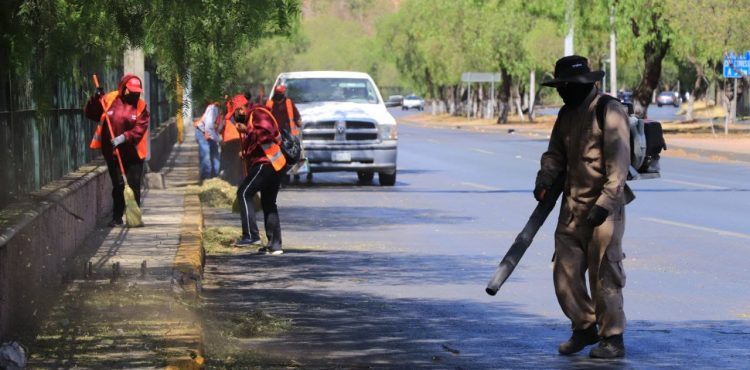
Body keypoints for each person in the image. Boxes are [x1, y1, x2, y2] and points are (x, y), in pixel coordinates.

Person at [535, 55, 634, 359]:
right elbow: (555, 154)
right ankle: (584, 327)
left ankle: (612, 337)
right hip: (572, 206)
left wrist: (604, 204)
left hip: (605, 208)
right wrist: (544, 178)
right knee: (564, 270)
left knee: (605, 273)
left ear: (584, 83)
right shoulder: (566, 114)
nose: (562, 92)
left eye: (566, 86)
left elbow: (618, 166)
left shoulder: (609, 111)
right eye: (560, 87)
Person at [84, 74, 150, 227]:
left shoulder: (141, 106)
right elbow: (91, 113)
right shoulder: (110, 99)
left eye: (137, 91)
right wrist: (96, 99)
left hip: (133, 153)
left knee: (133, 185)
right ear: (123, 88)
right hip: (113, 153)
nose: (134, 94)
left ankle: (134, 217)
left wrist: (124, 137)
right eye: (131, 90)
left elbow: (140, 128)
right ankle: (117, 217)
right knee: (118, 185)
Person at [233, 103, 286, 255]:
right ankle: (275, 245)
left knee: (244, 193)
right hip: (272, 164)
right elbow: (257, 142)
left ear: (242, 107)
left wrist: (247, 130)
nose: (237, 118)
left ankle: (251, 235)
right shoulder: (252, 117)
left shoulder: (258, 114)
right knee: (268, 203)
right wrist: (246, 154)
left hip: (267, 163)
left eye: (236, 112)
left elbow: (266, 135)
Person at [218, 94, 245, 186]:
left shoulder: (226, 111)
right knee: (236, 160)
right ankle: (235, 181)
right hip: (238, 137)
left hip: (229, 138)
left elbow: (221, 125)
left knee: (229, 160)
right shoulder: (240, 110)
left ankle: (230, 181)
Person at [196, 100, 221, 181]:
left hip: (209, 130)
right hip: (203, 130)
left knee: (214, 155)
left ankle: (215, 177)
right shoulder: (212, 108)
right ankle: (206, 178)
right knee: (206, 155)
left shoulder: (217, 108)